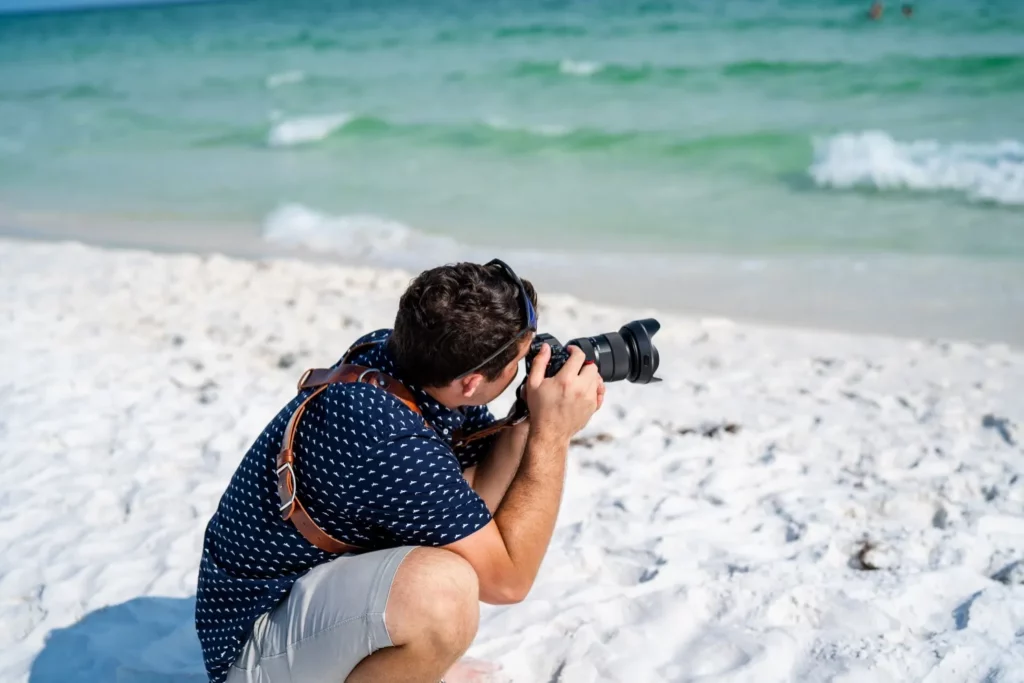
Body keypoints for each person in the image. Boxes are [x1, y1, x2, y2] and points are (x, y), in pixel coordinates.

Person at [194, 259, 605, 683]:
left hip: (295, 594)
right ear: (470, 384)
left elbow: (474, 488)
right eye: (520, 362)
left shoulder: (393, 359)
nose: (530, 365)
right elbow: (509, 582)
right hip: (249, 646)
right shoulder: (389, 442)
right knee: (444, 595)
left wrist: (529, 416)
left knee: (451, 561)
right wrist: (553, 435)